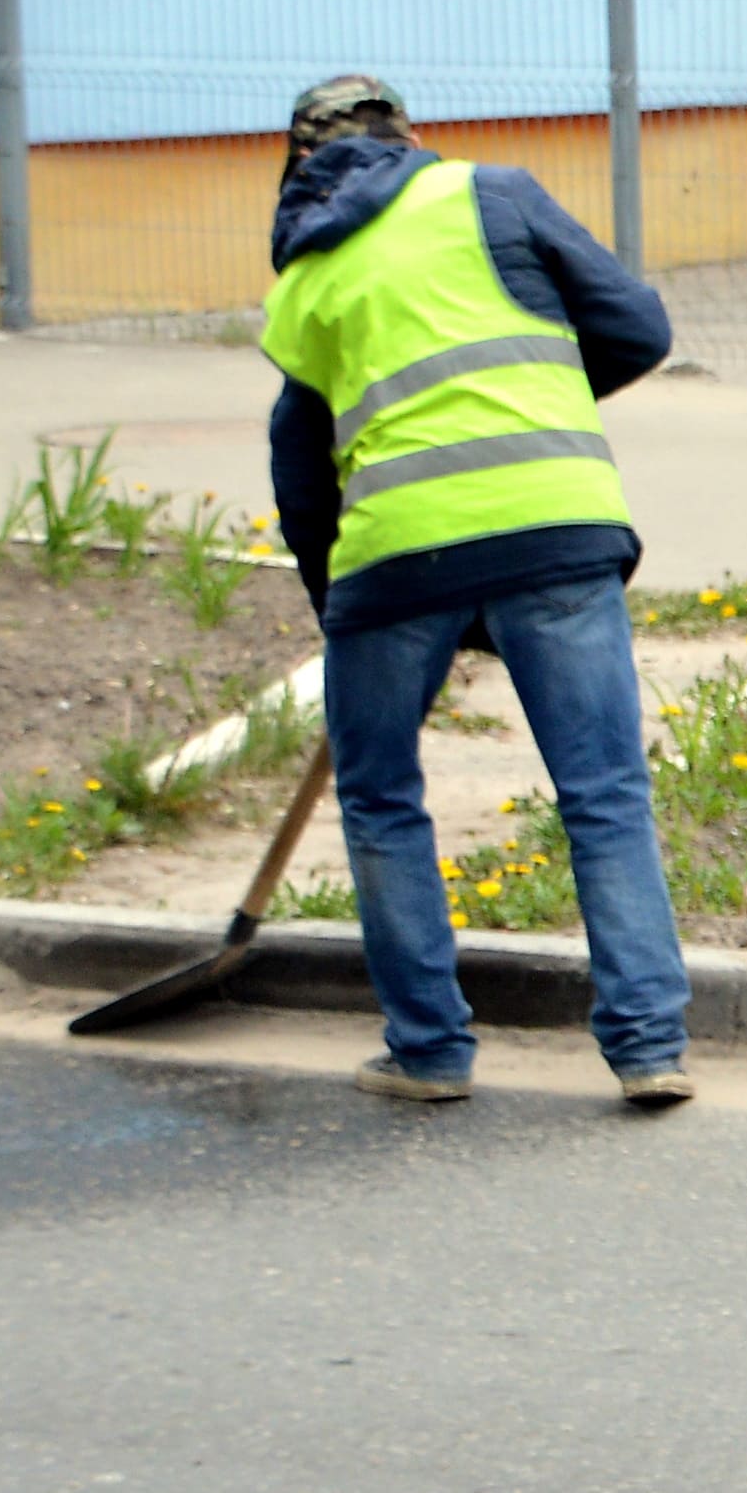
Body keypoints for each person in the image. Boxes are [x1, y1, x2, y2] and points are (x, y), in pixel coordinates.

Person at [260, 76, 697, 1110]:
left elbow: (300, 471)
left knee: (380, 798)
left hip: (396, 556)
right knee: (603, 792)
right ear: (408, 139)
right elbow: (637, 326)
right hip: (557, 526)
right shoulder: (494, 195)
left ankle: (429, 1053)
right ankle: (648, 1046)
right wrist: (538, 394)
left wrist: (343, 608)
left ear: (300, 167)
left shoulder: (303, 279)